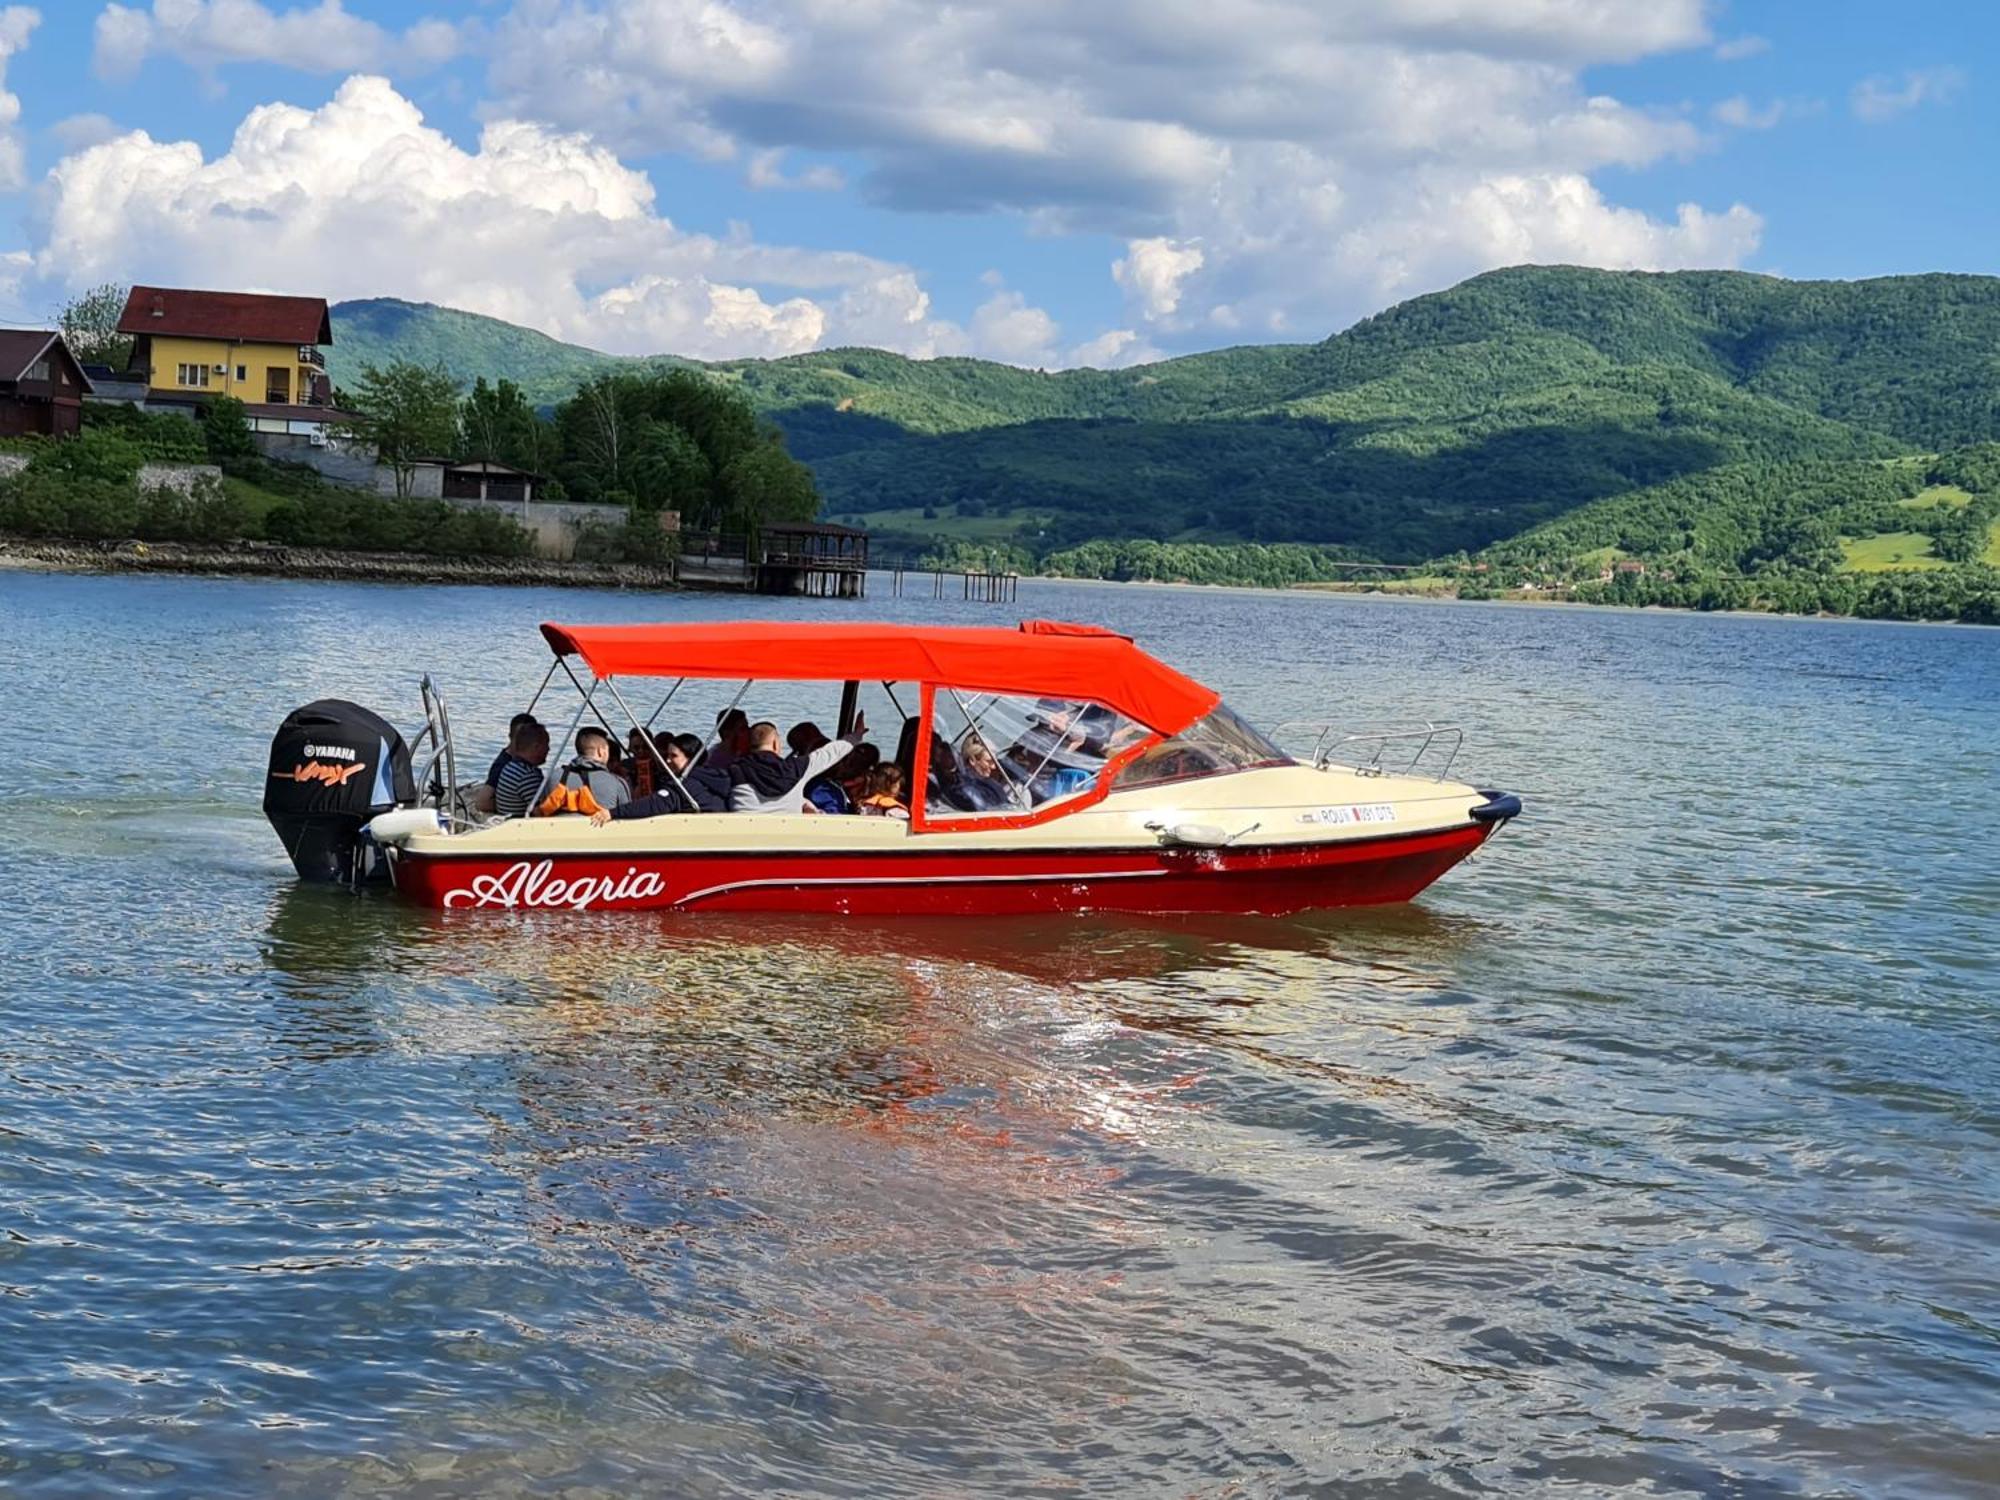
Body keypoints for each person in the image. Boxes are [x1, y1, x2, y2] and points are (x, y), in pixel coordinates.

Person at [729, 714, 868, 814]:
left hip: (747, 844)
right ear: (776, 744)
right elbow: (830, 752)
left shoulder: (733, 771)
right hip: (789, 845)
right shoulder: (797, 768)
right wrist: (856, 735)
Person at [592, 732, 731, 821]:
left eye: (674, 756)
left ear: (690, 758)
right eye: (667, 756)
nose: (668, 760)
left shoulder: (686, 786)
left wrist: (612, 813)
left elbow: (656, 803)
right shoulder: (713, 777)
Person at [536, 727, 630, 816]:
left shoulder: (554, 777)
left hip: (559, 831)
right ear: (601, 751)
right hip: (601, 832)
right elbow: (627, 819)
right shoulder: (616, 783)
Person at [493, 721, 550, 818]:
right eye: (546, 745)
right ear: (536, 747)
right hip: (521, 828)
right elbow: (540, 813)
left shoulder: (510, 766)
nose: (548, 749)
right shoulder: (528, 775)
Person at [486, 712, 541, 789]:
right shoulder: (501, 766)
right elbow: (485, 797)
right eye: (518, 737)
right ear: (510, 736)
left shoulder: (525, 761)